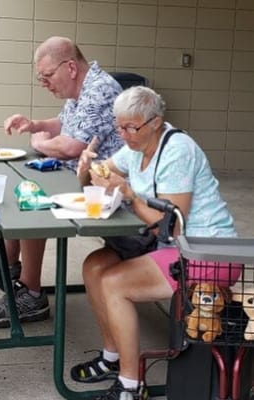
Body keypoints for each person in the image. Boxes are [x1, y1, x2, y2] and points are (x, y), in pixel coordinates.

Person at [71, 86, 242, 400]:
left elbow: (171, 224)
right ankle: (112, 357)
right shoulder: (136, 146)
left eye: (130, 127)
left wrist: (129, 194)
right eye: (118, 126)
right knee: (95, 265)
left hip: (206, 251)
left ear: (155, 122)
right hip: (169, 246)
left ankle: (131, 385)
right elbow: (101, 173)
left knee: (115, 283)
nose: (123, 134)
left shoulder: (177, 150)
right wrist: (85, 169)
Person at [0, 35, 124, 328]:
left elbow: (73, 146)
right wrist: (34, 125)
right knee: (15, 184)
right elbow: (64, 124)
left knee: (31, 202)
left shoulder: (100, 89)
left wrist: (41, 143)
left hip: (100, 186)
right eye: (41, 78)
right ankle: (5, 267)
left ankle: (32, 293)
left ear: (70, 67)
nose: (45, 83)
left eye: (47, 76)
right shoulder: (82, 88)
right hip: (76, 176)